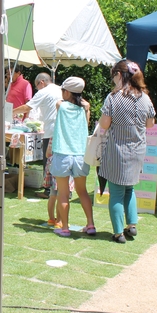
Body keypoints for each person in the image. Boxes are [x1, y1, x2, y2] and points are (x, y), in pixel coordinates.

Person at [98, 60, 156, 243]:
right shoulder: (145, 97)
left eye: (113, 74)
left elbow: (104, 124)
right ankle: (132, 225)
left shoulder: (113, 98)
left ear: (119, 75)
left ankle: (118, 232)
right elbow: (150, 124)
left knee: (115, 192)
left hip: (117, 150)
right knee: (130, 189)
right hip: (138, 149)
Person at [49, 77, 95, 238]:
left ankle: (65, 228)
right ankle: (90, 224)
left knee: (62, 193)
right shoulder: (85, 108)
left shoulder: (60, 105)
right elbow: (86, 118)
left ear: (66, 92)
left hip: (62, 153)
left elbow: (61, 102)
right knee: (83, 192)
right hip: (80, 154)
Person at [13, 72, 63, 198]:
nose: (37, 89)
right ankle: (63, 189)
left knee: (48, 160)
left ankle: (48, 190)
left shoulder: (44, 91)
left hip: (51, 130)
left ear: (41, 82)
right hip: (63, 129)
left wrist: (10, 111)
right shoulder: (61, 89)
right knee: (61, 160)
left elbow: (27, 107)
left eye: (37, 86)